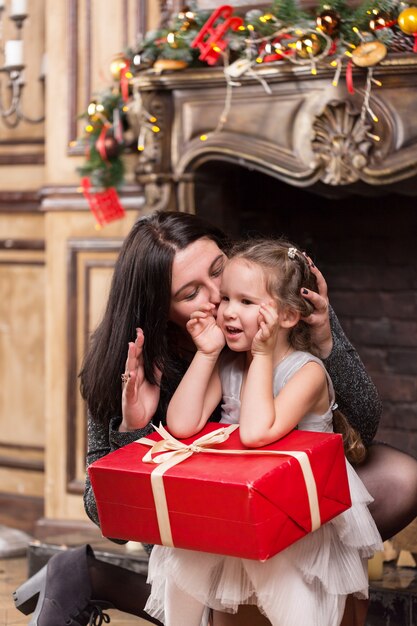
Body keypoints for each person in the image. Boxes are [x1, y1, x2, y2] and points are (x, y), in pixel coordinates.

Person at [13, 210, 417, 626]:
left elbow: (362, 425)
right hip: (207, 520)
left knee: (399, 480)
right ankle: (97, 578)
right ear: (159, 310)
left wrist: (325, 340)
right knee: (209, 582)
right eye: (192, 293)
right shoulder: (135, 359)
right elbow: (110, 516)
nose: (218, 300)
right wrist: (135, 427)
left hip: (288, 496)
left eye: (219, 273)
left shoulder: (269, 296)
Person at [143, 238, 383, 626]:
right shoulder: (230, 365)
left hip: (298, 515)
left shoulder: (306, 372)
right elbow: (181, 425)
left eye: (246, 302)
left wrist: (260, 355)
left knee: (293, 599)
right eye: (225, 299)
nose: (228, 313)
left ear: (287, 316)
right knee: (186, 550)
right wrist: (207, 354)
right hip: (244, 505)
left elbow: (255, 433)